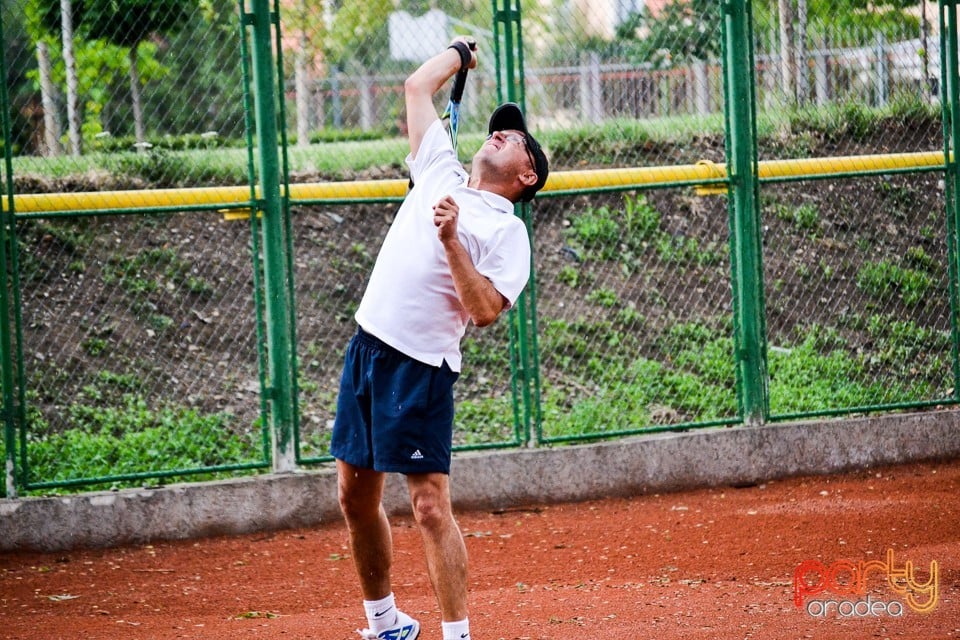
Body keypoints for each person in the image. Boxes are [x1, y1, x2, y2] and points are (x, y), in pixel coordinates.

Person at [330, 36, 549, 640]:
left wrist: (453, 241)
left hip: (420, 368)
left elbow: (483, 311)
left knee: (429, 506)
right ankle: (387, 623)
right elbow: (414, 87)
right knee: (353, 498)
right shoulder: (438, 167)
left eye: (516, 139)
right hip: (367, 347)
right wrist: (459, 53)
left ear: (526, 175)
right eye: (499, 130)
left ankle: (457, 634)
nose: (500, 133)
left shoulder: (508, 236)